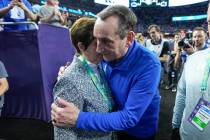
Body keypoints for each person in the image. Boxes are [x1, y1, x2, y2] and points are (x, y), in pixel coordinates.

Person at [51, 5, 161, 140]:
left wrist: (78, 118)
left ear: (129, 38)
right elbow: (87, 61)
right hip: (110, 130)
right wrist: (69, 71)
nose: (98, 48)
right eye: (96, 39)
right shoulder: (106, 53)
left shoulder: (149, 65)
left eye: (106, 41)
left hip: (137, 132)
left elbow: (129, 118)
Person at [53, 17, 114, 140]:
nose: (103, 47)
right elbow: (64, 134)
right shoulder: (69, 80)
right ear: (81, 46)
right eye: (97, 43)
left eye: (104, 41)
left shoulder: (101, 65)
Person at [171, 3, 210, 140]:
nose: (196, 39)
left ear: (206, 36)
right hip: (188, 133)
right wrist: (175, 126)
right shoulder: (194, 59)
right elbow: (181, 93)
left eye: (199, 36)